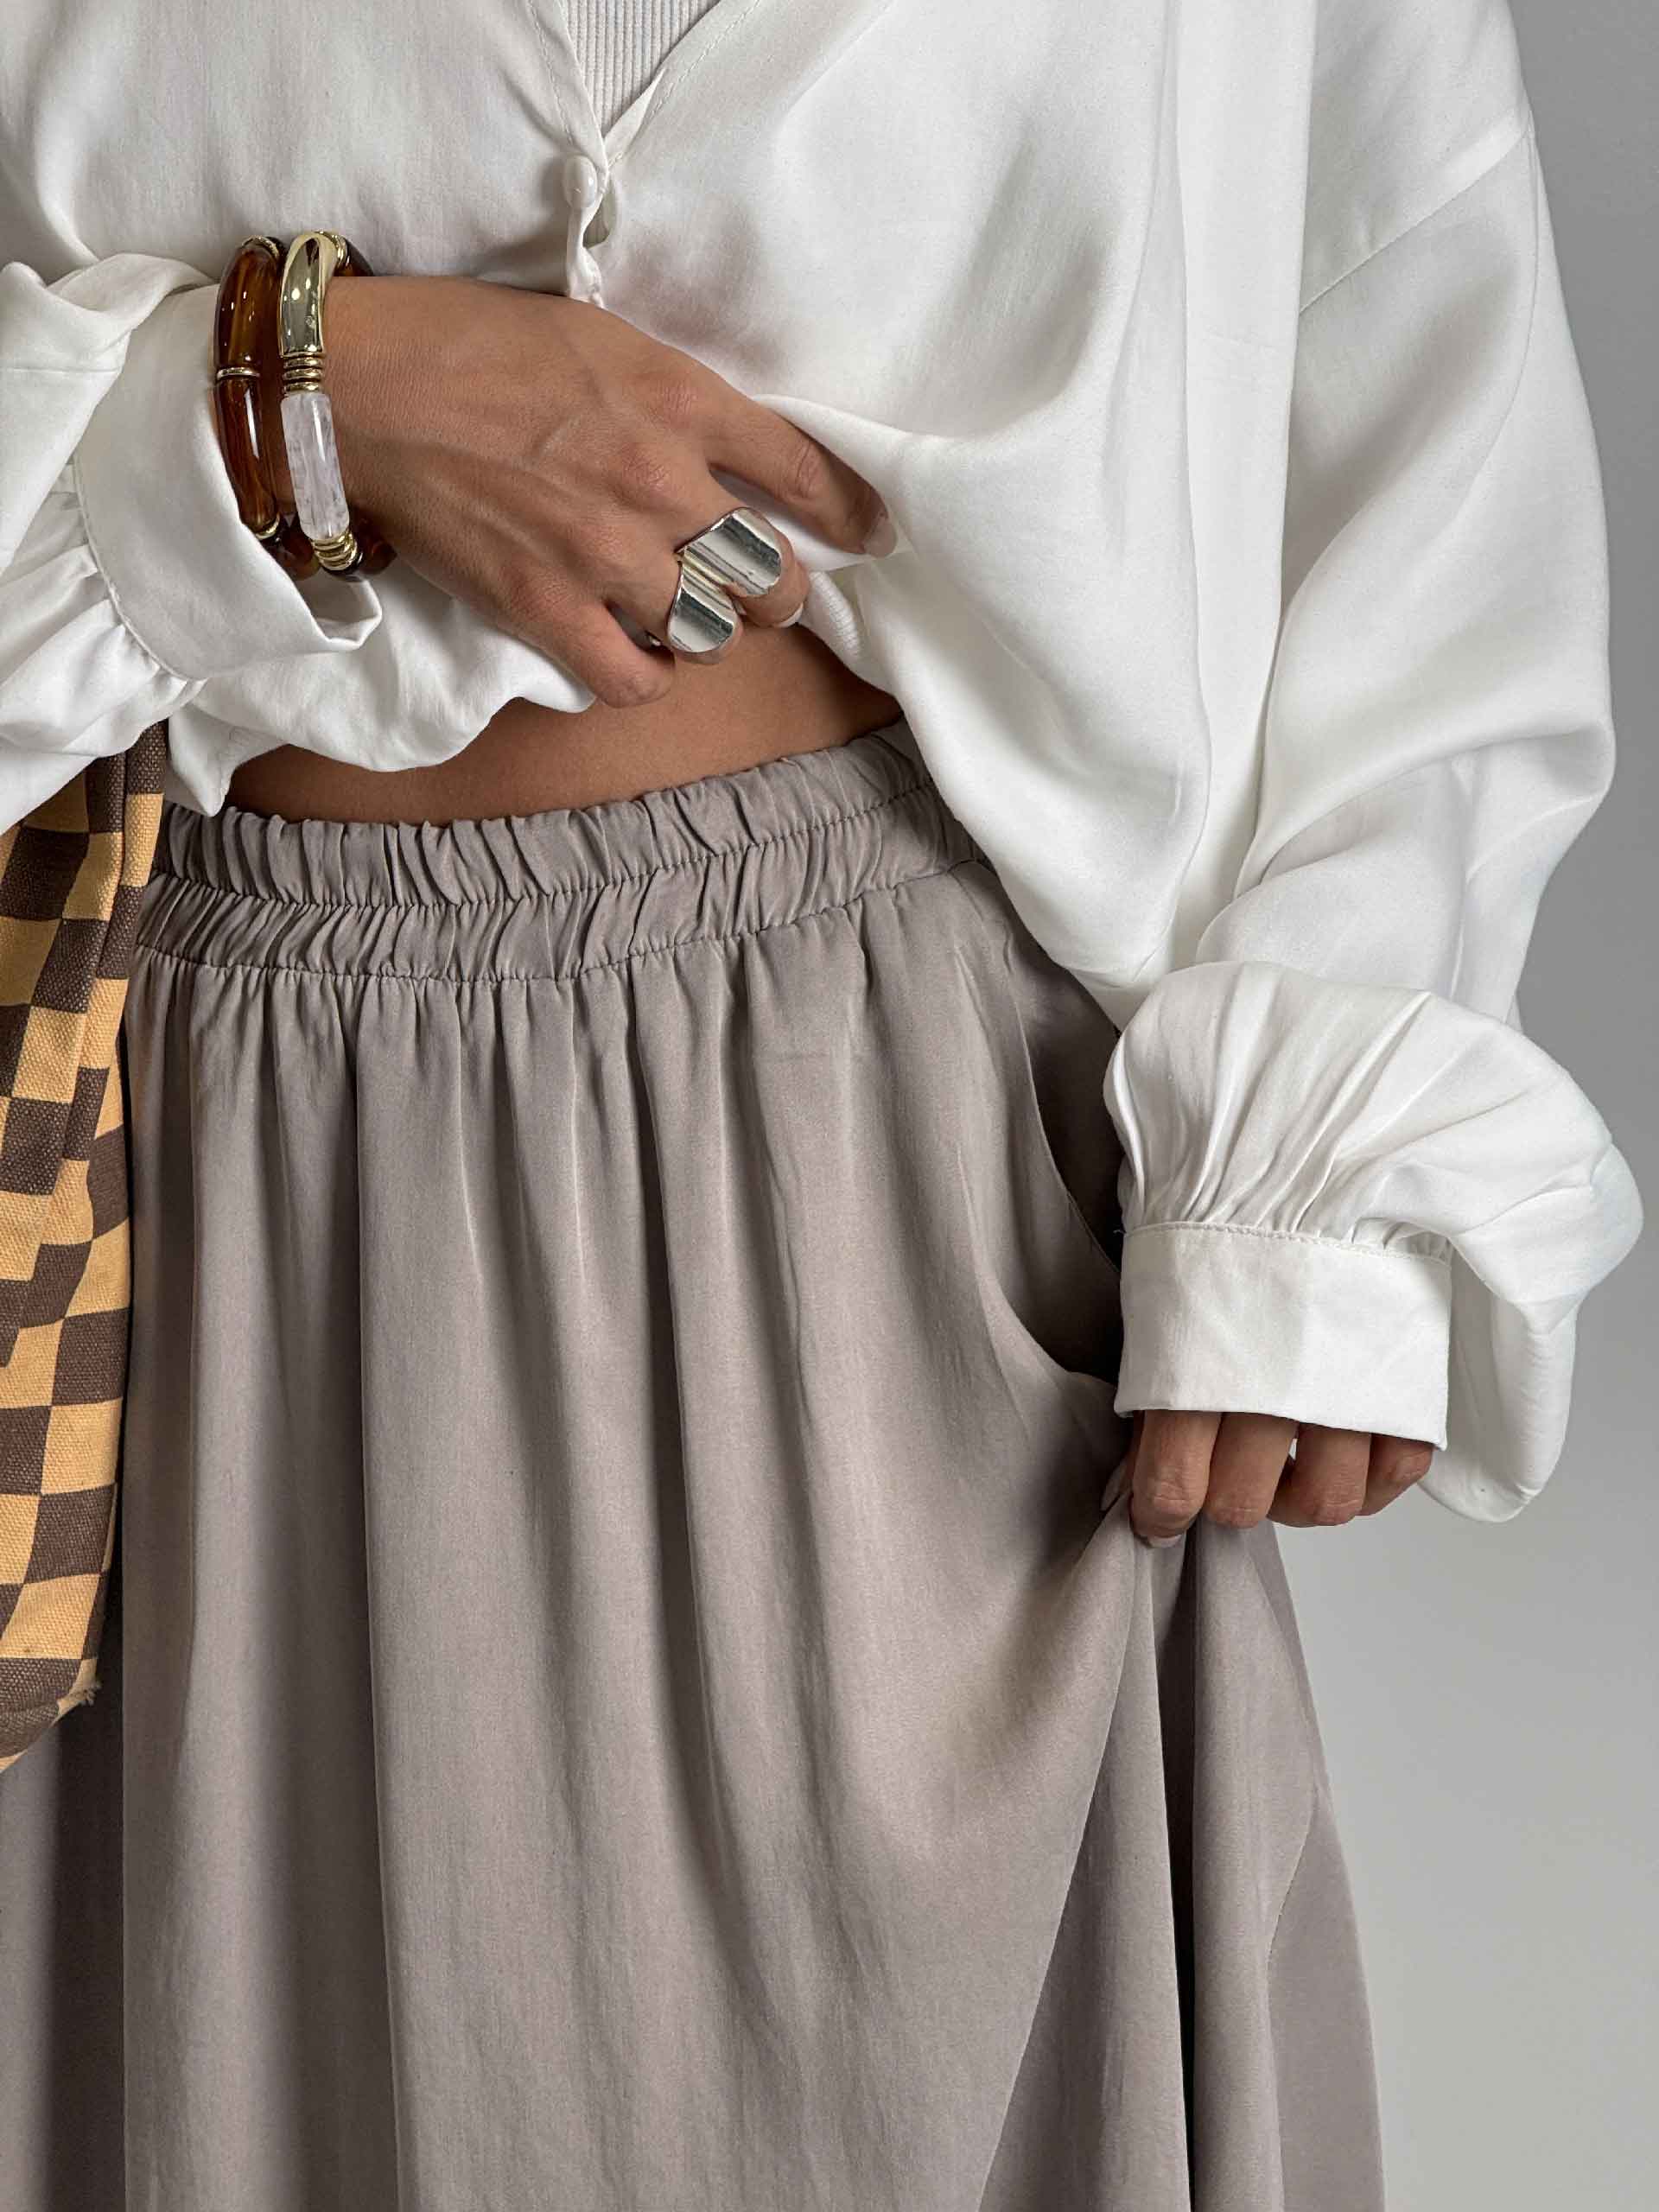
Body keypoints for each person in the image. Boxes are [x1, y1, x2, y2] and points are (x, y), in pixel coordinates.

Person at [0, 3, 1643, 2207]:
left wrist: (1325, 1143)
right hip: (186, 1197)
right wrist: (277, 397)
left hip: (906, 1162)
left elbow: (1406, 321)